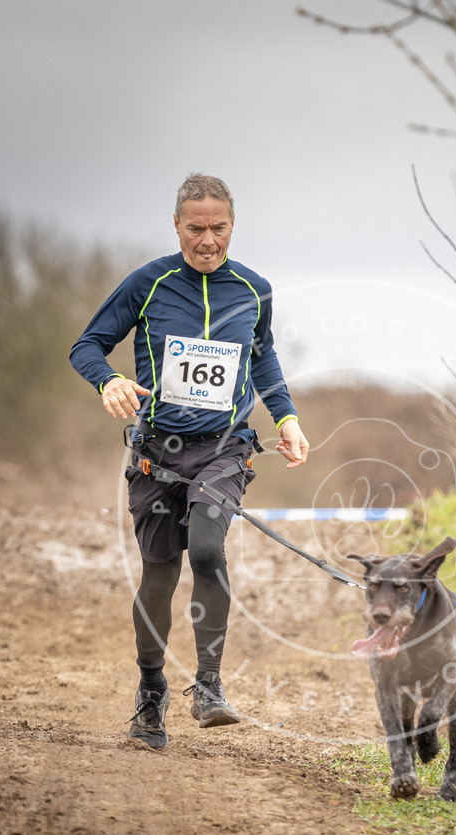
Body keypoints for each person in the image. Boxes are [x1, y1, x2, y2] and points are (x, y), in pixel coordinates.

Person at [70, 173, 309, 750]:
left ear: (232, 226)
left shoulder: (254, 290)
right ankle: (151, 694)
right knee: (159, 570)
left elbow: (263, 356)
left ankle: (208, 686)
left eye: (218, 228)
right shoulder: (149, 284)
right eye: (196, 228)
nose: (207, 240)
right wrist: (109, 383)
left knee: (206, 548)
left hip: (224, 447)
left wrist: (287, 417)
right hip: (157, 452)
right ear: (177, 225)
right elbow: (86, 345)